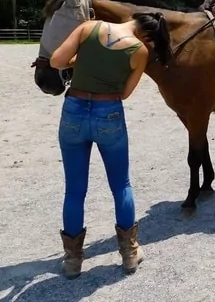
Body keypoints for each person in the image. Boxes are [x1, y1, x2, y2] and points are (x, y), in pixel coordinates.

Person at [49, 14, 163, 277]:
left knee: (75, 190)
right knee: (121, 184)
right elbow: (124, 93)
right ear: (146, 34)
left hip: (74, 110)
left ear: (131, 18)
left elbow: (56, 60)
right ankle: (130, 255)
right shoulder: (140, 50)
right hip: (108, 113)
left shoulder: (88, 28)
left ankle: (73, 261)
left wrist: (82, 61)